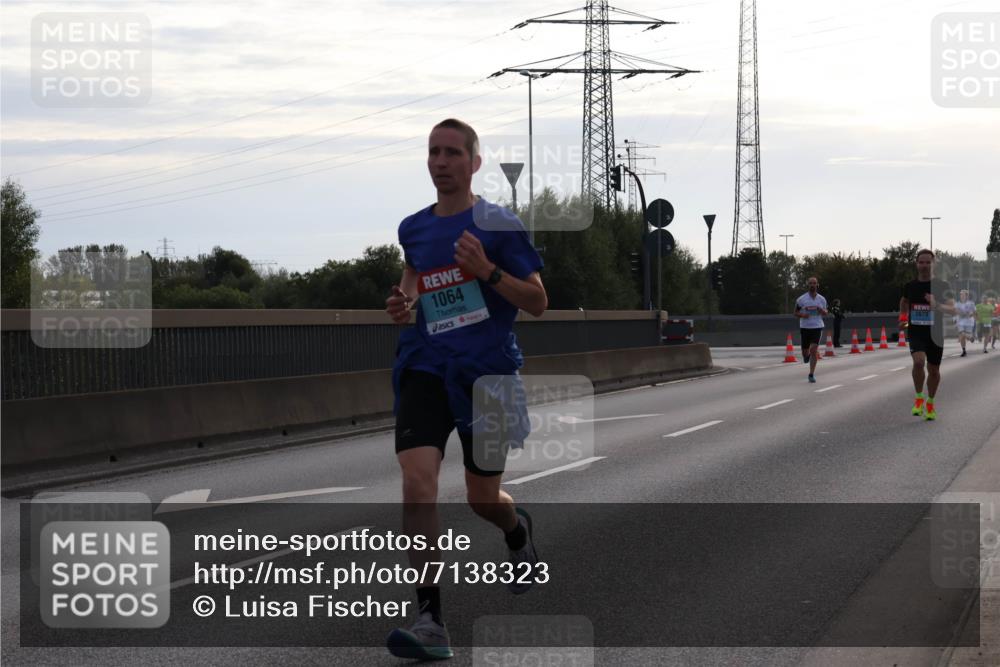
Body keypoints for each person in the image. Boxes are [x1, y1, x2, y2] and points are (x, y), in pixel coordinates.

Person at [383, 118, 548, 661]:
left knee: (483, 499)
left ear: (474, 163)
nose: (441, 161)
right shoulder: (414, 227)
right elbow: (414, 275)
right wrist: (404, 304)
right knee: (418, 479)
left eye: (453, 152)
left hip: (488, 374)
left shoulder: (499, 225)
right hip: (426, 366)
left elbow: (538, 301)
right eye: (433, 152)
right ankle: (430, 617)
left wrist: (487, 273)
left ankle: (515, 528)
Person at [899, 249, 955, 421]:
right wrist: (903, 319)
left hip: (935, 334)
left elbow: (953, 309)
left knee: (934, 371)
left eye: (927, 262)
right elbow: (904, 302)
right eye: (921, 262)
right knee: (918, 363)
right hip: (916, 332)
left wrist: (936, 304)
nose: (924, 266)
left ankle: (930, 402)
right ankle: (918, 398)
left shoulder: (942, 286)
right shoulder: (910, 286)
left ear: (933, 264)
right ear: (916, 264)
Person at [794, 276, 827, 383]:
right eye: (810, 283)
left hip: (817, 327)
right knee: (805, 352)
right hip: (805, 327)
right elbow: (795, 313)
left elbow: (826, 313)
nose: (812, 285)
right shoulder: (801, 299)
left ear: (817, 285)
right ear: (808, 285)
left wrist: (820, 309)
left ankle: (811, 374)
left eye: (814, 283)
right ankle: (806, 355)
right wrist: (803, 315)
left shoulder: (821, 299)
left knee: (813, 350)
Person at [954, 290, 976, 357]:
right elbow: (955, 312)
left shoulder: (971, 303)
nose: (962, 296)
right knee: (962, 335)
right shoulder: (957, 304)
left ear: (967, 296)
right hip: (960, 322)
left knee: (965, 336)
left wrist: (970, 314)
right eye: (961, 295)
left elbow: (974, 312)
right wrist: (955, 320)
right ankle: (964, 351)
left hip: (969, 322)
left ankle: (970, 337)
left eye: (963, 295)